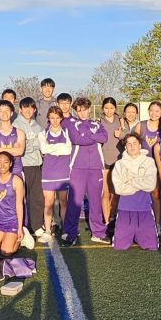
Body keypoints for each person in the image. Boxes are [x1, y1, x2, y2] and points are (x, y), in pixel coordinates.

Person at [62, 98, 109, 245]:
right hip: (77, 167)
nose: (82, 113)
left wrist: (88, 135)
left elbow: (104, 137)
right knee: (74, 202)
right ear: (76, 111)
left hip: (96, 167)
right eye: (79, 110)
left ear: (89, 109)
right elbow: (77, 139)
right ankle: (71, 234)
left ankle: (98, 233)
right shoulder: (72, 124)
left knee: (95, 202)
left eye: (84, 109)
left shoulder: (97, 124)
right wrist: (94, 137)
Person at [111, 133, 159, 251]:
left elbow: (150, 185)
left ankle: (139, 234)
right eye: (129, 144)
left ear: (140, 145)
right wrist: (140, 182)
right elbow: (119, 189)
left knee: (151, 246)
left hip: (144, 209)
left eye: (135, 143)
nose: (132, 147)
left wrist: (130, 180)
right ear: (125, 147)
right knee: (120, 246)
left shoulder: (149, 161)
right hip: (125, 209)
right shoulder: (119, 164)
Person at [39, 106, 72, 243]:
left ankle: (65, 229)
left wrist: (51, 148)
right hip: (48, 172)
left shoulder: (67, 132)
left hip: (63, 172)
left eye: (57, 118)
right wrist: (59, 148)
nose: (55, 120)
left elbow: (68, 150)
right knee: (48, 203)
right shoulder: (43, 133)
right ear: (48, 118)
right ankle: (48, 231)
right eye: (52, 117)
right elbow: (44, 149)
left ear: (61, 118)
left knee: (64, 202)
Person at [15, 97, 46, 240]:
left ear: (34, 110)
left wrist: (31, 143)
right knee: (23, 197)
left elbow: (42, 145)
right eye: (25, 107)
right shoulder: (16, 125)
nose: (28, 110)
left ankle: (37, 225)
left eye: (31, 108)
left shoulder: (37, 126)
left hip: (36, 165)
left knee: (37, 196)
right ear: (20, 109)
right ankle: (24, 225)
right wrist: (34, 144)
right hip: (23, 165)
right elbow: (21, 148)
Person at [0, 152, 25, 256]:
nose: (2, 165)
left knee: (6, 252)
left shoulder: (17, 180)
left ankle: (19, 240)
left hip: (12, 221)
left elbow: (19, 205)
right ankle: (3, 239)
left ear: (10, 164)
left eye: (6, 162)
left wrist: (20, 228)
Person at [0, 100, 26, 176]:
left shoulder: (19, 132)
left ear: (11, 113)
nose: (4, 113)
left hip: (16, 171)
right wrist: (13, 150)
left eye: (7, 110)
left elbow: (20, 152)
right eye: (1, 111)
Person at [99, 97, 121, 228]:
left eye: (111, 108)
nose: (109, 110)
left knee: (116, 193)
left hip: (118, 161)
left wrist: (121, 135)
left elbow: (126, 137)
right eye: (106, 108)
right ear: (102, 108)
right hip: (104, 160)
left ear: (115, 108)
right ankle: (106, 220)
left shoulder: (121, 121)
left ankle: (112, 217)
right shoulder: (99, 122)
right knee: (105, 192)